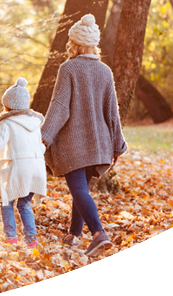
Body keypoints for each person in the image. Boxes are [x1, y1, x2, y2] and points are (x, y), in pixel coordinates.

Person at [40, 14, 127, 258]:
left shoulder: (68, 68)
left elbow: (59, 106)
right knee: (82, 189)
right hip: (99, 143)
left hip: (74, 143)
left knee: (78, 189)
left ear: (75, 43)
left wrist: (44, 136)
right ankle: (74, 235)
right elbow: (113, 112)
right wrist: (117, 145)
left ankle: (99, 234)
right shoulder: (104, 71)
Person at [0, 78, 48, 247]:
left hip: (19, 168)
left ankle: (11, 238)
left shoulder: (7, 122)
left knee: (7, 201)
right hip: (37, 169)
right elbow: (41, 147)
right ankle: (31, 240)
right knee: (24, 204)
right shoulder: (35, 122)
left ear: (7, 104)